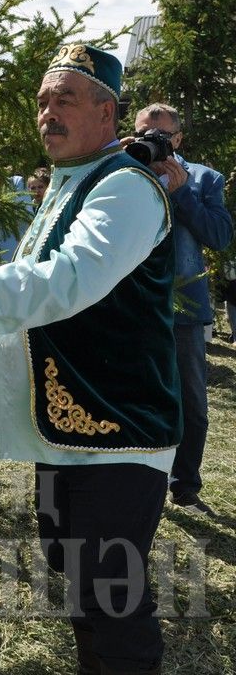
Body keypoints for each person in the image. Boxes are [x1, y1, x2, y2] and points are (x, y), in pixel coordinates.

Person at [0, 44, 181, 675]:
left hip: (119, 432)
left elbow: (71, 278)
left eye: (66, 99)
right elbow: (39, 288)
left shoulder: (125, 190)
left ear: (108, 113)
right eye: (43, 102)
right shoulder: (74, 184)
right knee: (83, 585)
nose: (48, 114)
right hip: (70, 430)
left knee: (112, 597)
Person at [131, 103, 233, 516]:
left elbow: (221, 236)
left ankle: (184, 485)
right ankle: (137, 479)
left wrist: (182, 192)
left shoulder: (205, 178)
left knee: (191, 402)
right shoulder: (125, 168)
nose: (151, 142)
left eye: (160, 136)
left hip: (185, 309)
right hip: (132, 303)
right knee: (134, 395)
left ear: (177, 139)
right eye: (143, 133)